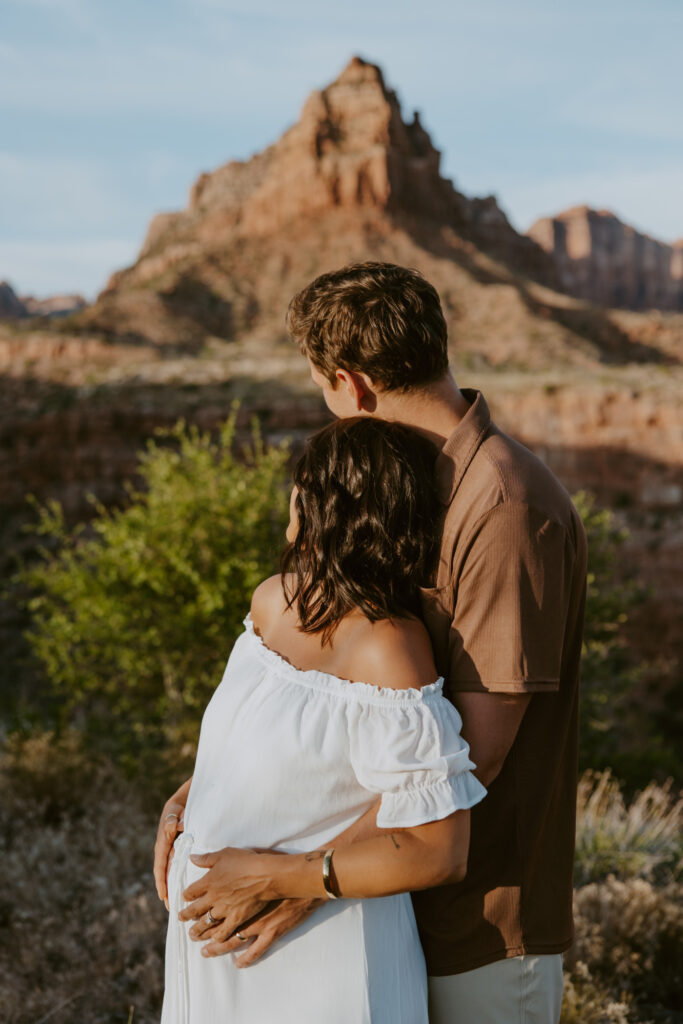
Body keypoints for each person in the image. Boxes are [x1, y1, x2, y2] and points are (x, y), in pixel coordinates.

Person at [158, 262, 588, 1024]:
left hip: (475, 927)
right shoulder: (398, 487)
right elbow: (332, 696)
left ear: (350, 385)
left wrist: (293, 879)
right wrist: (210, 801)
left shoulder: (503, 508)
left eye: (321, 385)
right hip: (380, 912)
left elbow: (476, 754)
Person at [155, 416, 487, 1024]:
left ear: (324, 505)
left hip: (322, 962)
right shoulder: (272, 600)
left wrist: (277, 881)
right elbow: (255, 743)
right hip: (219, 957)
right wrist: (184, 805)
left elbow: (440, 850)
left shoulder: (389, 647)